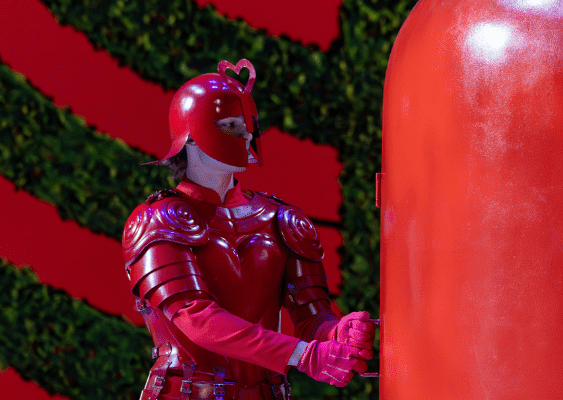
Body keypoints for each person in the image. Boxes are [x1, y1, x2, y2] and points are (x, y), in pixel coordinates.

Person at [122, 61, 376, 400]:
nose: (245, 136)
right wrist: (303, 355)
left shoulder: (281, 218)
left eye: (247, 126)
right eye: (230, 126)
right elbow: (195, 316)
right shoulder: (158, 219)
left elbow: (312, 318)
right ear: (191, 137)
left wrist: (337, 334)